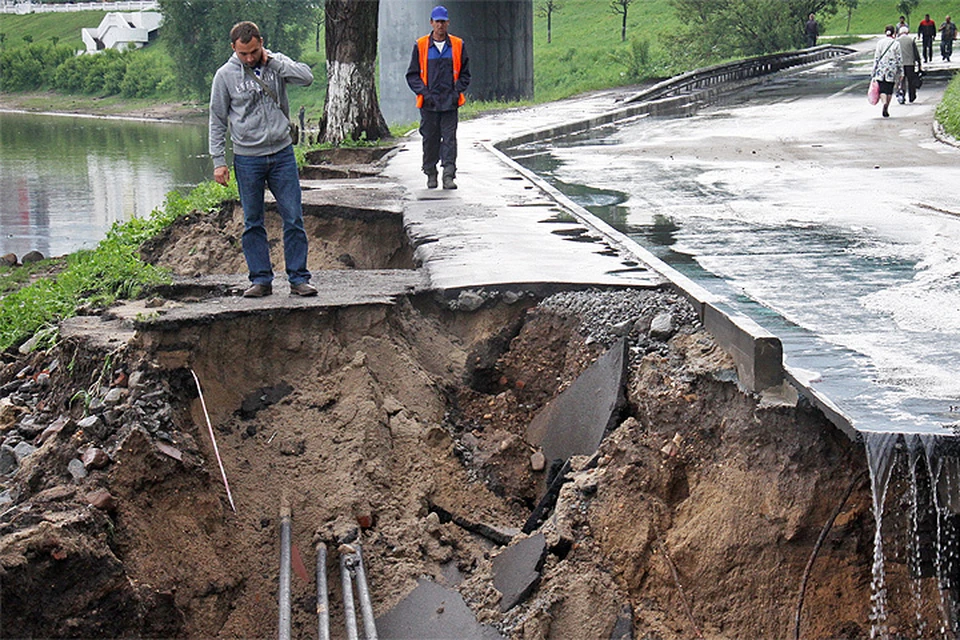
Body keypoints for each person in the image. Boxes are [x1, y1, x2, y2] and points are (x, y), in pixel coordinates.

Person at [209, 21, 318, 298]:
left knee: (293, 217)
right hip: (247, 158)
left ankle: (298, 278)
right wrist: (218, 161)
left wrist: (275, 62)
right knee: (253, 221)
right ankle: (260, 280)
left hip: (282, 153)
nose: (249, 58)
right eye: (243, 53)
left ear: (261, 44)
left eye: (254, 52)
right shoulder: (224, 76)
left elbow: (307, 78)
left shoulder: (275, 64)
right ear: (233, 48)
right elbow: (217, 120)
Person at [405, 5, 471, 190]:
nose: (440, 25)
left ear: (448, 23)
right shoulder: (420, 45)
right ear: (431, 23)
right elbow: (412, 75)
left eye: (443, 21)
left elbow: (465, 73)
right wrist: (425, 94)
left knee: (449, 139)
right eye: (437, 21)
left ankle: (448, 175)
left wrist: (456, 91)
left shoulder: (458, 45)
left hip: (450, 103)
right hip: (429, 104)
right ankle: (430, 173)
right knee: (430, 139)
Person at [873, 25, 903, 118]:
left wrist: (874, 69)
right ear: (894, 33)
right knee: (889, 89)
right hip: (891, 69)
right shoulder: (896, 43)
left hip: (881, 68)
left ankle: (884, 102)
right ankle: (887, 106)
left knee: (882, 88)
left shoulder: (880, 43)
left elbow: (877, 57)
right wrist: (901, 71)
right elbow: (899, 58)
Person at [896, 26, 921, 104]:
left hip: (901, 64)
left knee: (901, 81)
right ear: (907, 32)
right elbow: (915, 52)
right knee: (911, 80)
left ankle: (902, 95)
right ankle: (912, 96)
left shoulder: (897, 41)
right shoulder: (911, 40)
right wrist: (919, 62)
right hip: (910, 63)